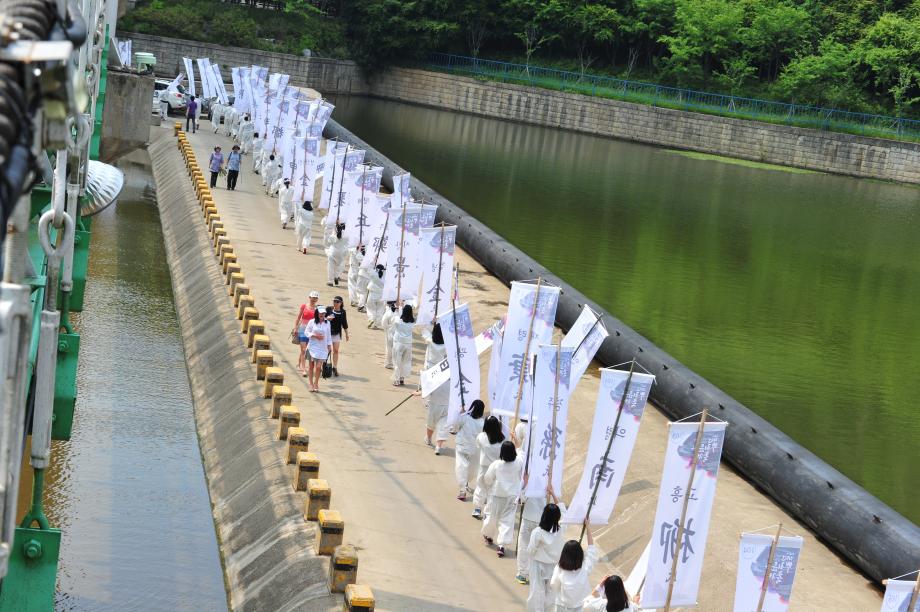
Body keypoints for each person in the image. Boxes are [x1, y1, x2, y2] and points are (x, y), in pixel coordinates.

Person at [480, 440, 524, 558]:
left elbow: (488, 478)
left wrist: (489, 486)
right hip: (512, 495)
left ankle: (489, 536)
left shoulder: (496, 464)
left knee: (492, 516)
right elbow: (522, 454)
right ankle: (502, 545)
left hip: (497, 494)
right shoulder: (519, 462)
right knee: (507, 520)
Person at [526, 489, 566, 610]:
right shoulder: (562, 529)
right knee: (551, 591)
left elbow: (530, 550)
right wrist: (553, 494)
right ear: (558, 517)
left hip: (538, 564)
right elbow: (563, 512)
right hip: (554, 565)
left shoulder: (538, 532)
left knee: (536, 591)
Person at [551, 526, 598, 612]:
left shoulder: (559, 568)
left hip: (562, 605)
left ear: (564, 554)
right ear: (580, 554)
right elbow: (591, 548)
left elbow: (554, 584)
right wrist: (588, 527)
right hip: (581, 606)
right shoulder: (585, 567)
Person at [472, 416, 505, 519]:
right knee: (492, 491)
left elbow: (478, 446)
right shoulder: (503, 439)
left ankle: (477, 508)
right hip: (496, 469)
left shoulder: (481, 437)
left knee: (480, 487)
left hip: (484, 467)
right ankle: (488, 513)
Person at [424, 324, 449, 454]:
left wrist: (432, 322)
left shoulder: (430, 342)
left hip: (433, 381)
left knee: (432, 417)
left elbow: (425, 331)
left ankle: (428, 438)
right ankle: (439, 446)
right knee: (444, 420)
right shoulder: (447, 347)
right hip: (446, 381)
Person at [453, 399, 484, 500]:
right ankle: (465, 483)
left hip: (462, 447)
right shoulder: (482, 422)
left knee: (461, 467)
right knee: (471, 468)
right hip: (475, 449)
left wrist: (460, 413)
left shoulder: (465, 418)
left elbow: (455, 425)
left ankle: (462, 490)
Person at [305, 307, 333, 392]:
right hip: (312, 347)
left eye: (324, 313)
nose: (322, 315)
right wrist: (315, 336)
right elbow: (306, 332)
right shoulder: (311, 322)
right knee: (311, 366)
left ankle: (316, 382)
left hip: (323, 348)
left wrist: (329, 345)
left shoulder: (327, 323)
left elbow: (328, 335)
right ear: (317, 313)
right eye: (320, 313)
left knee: (318, 367)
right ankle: (311, 384)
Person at [293, 291, 320, 376]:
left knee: (309, 350)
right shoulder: (304, 306)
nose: (314, 299)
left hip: (312, 331)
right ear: (309, 297)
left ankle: (300, 364)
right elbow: (298, 317)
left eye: (316, 298)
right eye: (313, 297)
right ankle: (304, 369)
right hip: (302, 330)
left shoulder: (318, 309)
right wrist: (295, 328)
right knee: (303, 349)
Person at [390, 303, 415, 386]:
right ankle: (402, 378)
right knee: (406, 362)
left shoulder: (399, 322)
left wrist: (398, 309)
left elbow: (394, 318)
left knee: (397, 362)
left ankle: (396, 379)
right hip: (408, 344)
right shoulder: (412, 323)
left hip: (399, 343)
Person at [327, 297, 349, 376]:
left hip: (336, 334)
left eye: (337, 302)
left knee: (336, 350)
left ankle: (335, 367)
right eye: (334, 301)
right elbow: (321, 318)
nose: (335, 303)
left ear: (341, 303)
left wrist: (346, 334)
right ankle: (324, 365)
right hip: (328, 333)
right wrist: (327, 319)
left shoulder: (343, 312)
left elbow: (344, 323)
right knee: (327, 350)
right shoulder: (329, 309)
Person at [325, 222, 348, 287]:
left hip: (333, 252)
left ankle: (330, 281)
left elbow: (329, 241)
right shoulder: (346, 236)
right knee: (338, 266)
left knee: (331, 267)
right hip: (341, 253)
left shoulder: (334, 235)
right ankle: (336, 277)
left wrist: (333, 232)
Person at [381, 300, 398, 367]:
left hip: (389, 333)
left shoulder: (388, 313)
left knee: (389, 348)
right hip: (398, 334)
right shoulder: (399, 314)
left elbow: (383, 323)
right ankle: (394, 363)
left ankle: (388, 363)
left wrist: (387, 329)